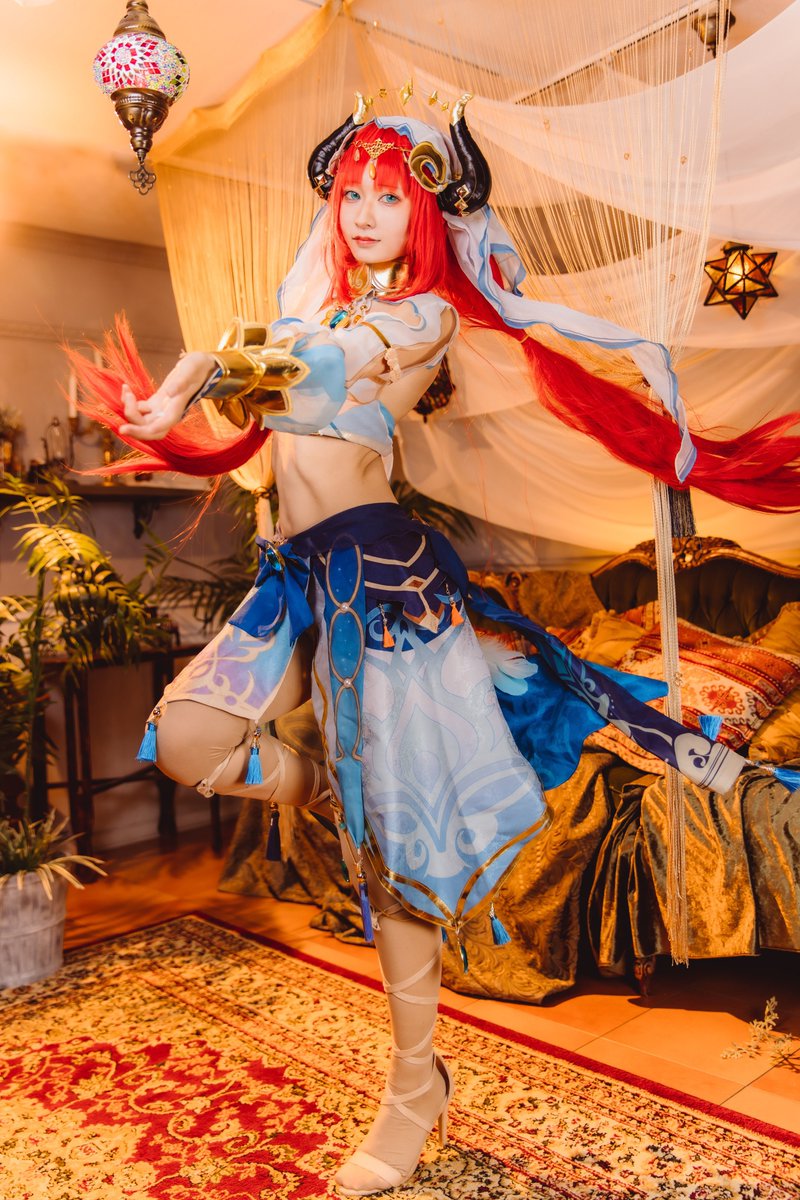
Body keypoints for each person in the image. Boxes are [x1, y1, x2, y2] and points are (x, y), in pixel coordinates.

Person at [75, 97, 758, 1197]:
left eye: (388, 196)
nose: (362, 212)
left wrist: (198, 371)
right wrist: (187, 388)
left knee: (395, 859)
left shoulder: (421, 318)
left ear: (426, 214)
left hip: (384, 583)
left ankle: (410, 1089)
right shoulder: (321, 308)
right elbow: (275, 361)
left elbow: (309, 370)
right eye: (349, 193)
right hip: (296, 578)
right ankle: (340, 795)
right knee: (189, 740)